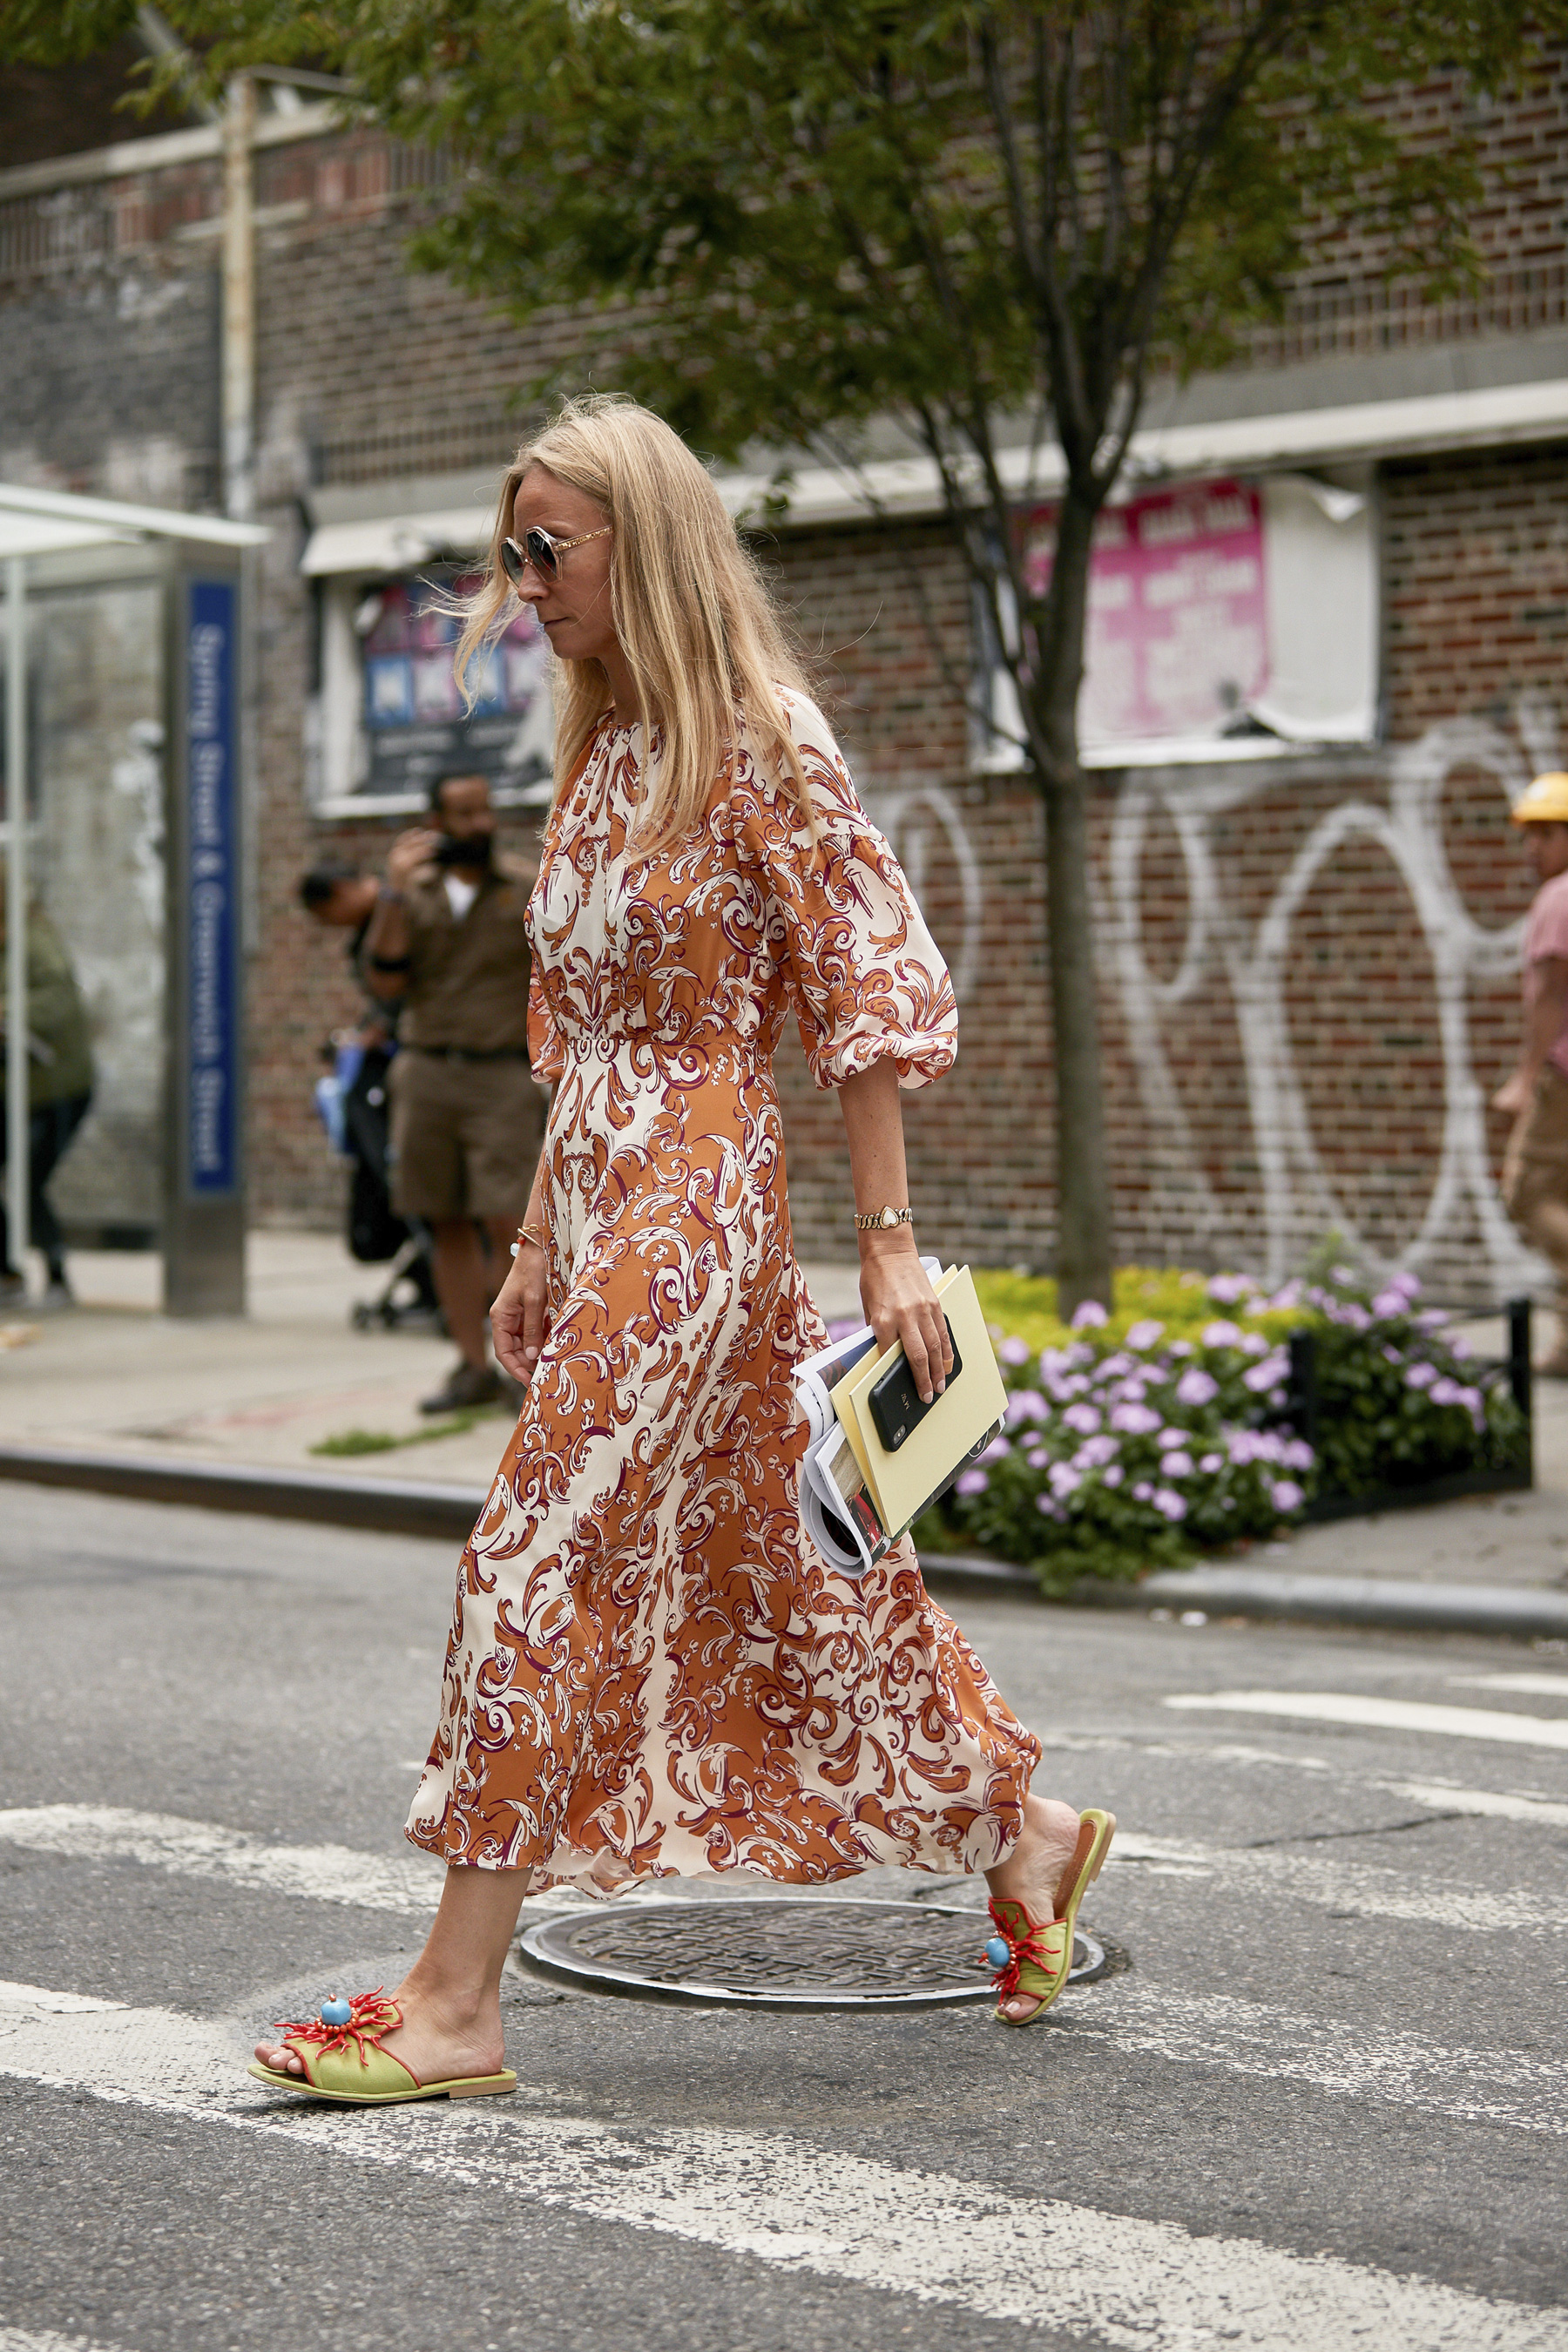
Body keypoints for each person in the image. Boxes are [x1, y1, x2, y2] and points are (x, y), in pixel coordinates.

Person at [250, 394, 1112, 2107]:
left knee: (530, 1551)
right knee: (784, 1574)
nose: (524, 584)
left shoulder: (753, 732)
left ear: (645, 538)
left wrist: (885, 1243)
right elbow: (584, 1034)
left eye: (545, 549)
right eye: (512, 552)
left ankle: (454, 2001)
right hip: (611, 1194)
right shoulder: (603, 747)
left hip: (706, 1194)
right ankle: (1031, 1828)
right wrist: (534, 1239)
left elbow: (860, 986)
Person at [357, 773, 543, 1414]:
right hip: (427, 1071)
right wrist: (392, 894)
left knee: (512, 1224)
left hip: (502, 1075)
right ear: (435, 822)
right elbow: (383, 984)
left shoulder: (523, 888)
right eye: (463, 814)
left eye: (485, 811)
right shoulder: (413, 895)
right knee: (445, 1222)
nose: (480, 824)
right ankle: (470, 1367)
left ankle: (522, 1368)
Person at [1496, 768, 1568, 1375]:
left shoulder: (1559, 899)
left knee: (1526, 1191)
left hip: (1563, 1078)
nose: (1532, 849)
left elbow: (1548, 997)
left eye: (1545, 834)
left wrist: (1525, 1078)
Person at [0, 873, 94, 1311]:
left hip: (54, 1086)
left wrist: (5, 1009)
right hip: (10, 1087)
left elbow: (58, 997)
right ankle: (8, 1273)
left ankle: (57, 1276)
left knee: (28, 1181)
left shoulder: (32, 937)